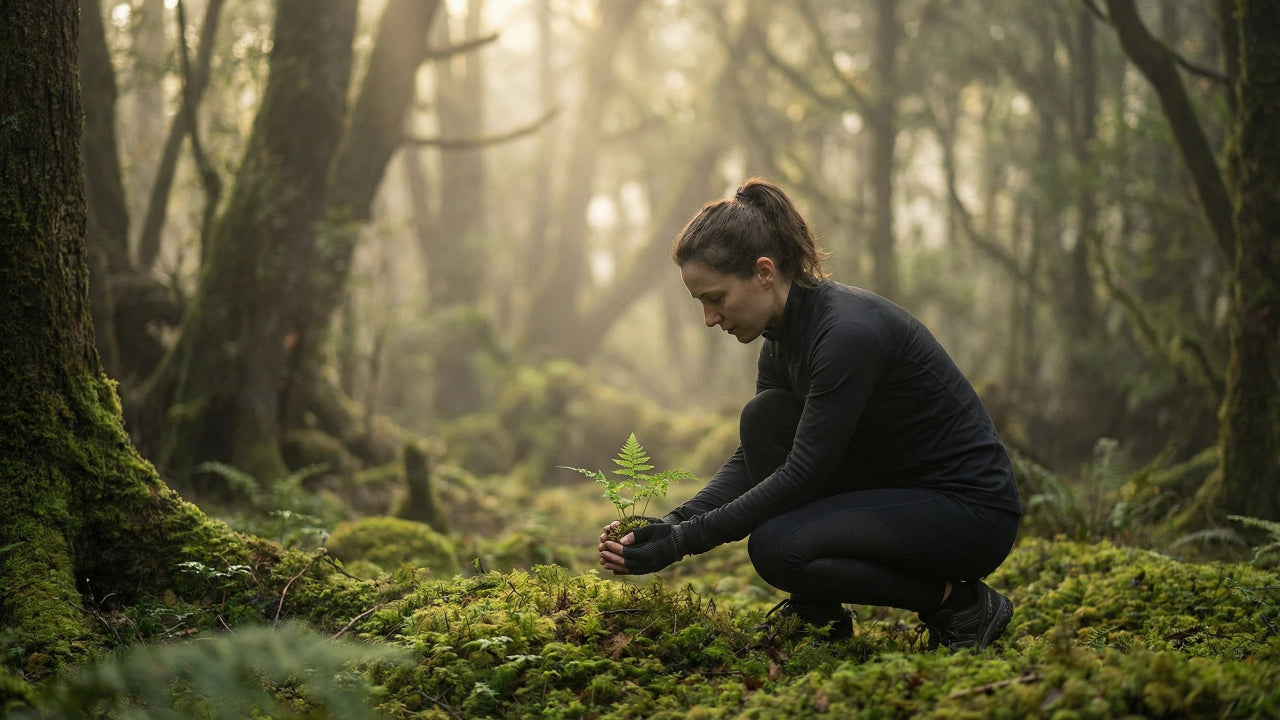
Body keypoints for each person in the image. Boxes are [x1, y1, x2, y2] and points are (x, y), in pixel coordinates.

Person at [597, 177, 1022, 651]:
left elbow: (803, 474)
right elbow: (753, 458)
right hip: (901, 489)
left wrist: (685, 541)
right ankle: (819, 612)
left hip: (970, 513)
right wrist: (672, 523)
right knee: (765, 418)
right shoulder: (781, 340)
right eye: (701, 304)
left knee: (778, 548)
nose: (710, 319)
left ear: (763, 272)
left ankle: (959, 605)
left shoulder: (845, 334)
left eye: (715, 299)